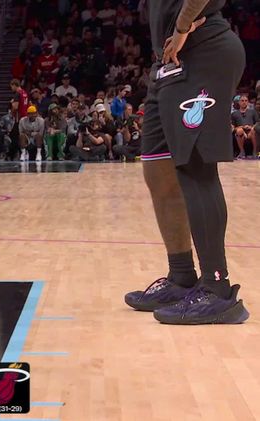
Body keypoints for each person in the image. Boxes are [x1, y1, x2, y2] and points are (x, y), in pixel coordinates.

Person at [125, 0, 249, 324]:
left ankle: (217, 289)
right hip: (168, 64)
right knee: (157, 170)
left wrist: (181, 27)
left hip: (202, 49)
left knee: (196, 168)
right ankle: (181, 277)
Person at [231, 95, 258, 159]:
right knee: (239, 131)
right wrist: (241, 127)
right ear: (239, 102)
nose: (244, 102)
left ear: (248, 102)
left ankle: (254, 152)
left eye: (246, 101)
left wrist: (251, 127)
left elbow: (257, 122)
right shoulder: (234, 114)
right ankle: (242, 152)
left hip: (251, 132)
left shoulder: (253, 112)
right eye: (242, 101)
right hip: (241, 132)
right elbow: (232, 126)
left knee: (254, 131)